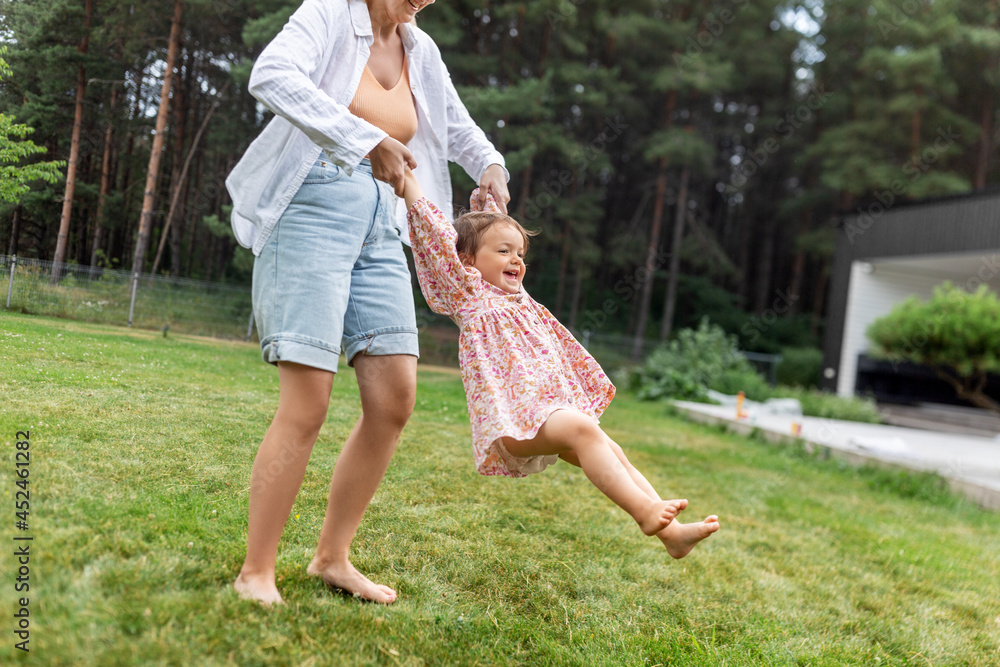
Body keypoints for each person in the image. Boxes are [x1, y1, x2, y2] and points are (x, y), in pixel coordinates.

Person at [225, 0, 509, 606]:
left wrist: (490, 164)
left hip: (385, 220)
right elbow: (272, 75)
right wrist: (366, 137)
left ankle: (332, 558)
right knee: (308, 401)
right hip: (311, 207)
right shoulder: (331, 13)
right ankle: (256, 572)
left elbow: (455, 124)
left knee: (393, 398)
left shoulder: (419, 49)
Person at [402, 170, 721, 556]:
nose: (516, 260)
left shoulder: (516, 296)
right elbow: (436, 236)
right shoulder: (468, 293)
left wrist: (491, 190)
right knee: (586, 430)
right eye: (503, 252)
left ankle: (674, 536)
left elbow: (493, 225)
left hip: (546, 412)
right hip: (515, 424)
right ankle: (644, 513)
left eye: (520, 254)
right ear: (466, 261)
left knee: (609, 447)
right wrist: (409, 182)